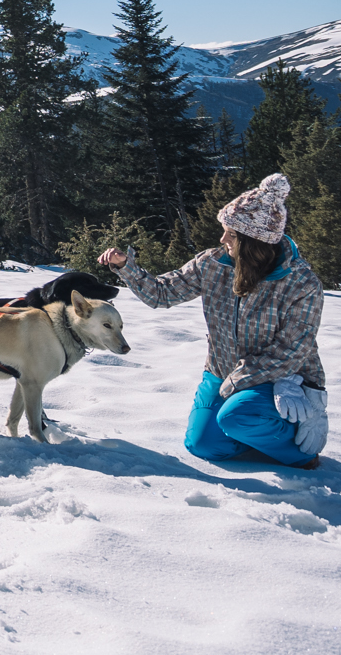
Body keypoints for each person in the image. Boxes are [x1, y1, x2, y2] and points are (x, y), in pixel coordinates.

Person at [98, 172, 328, 468]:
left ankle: (301, 449)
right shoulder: (212, 264)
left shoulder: (301, 282)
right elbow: (162, 293)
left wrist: (238, 382)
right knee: (202, 445)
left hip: (278, 377)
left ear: (253, 241)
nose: (222, 240)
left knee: (236, 417)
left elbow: (292, 349)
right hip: (221, 371)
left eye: (231, 234)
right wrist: (125, 266)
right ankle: (254, 431)